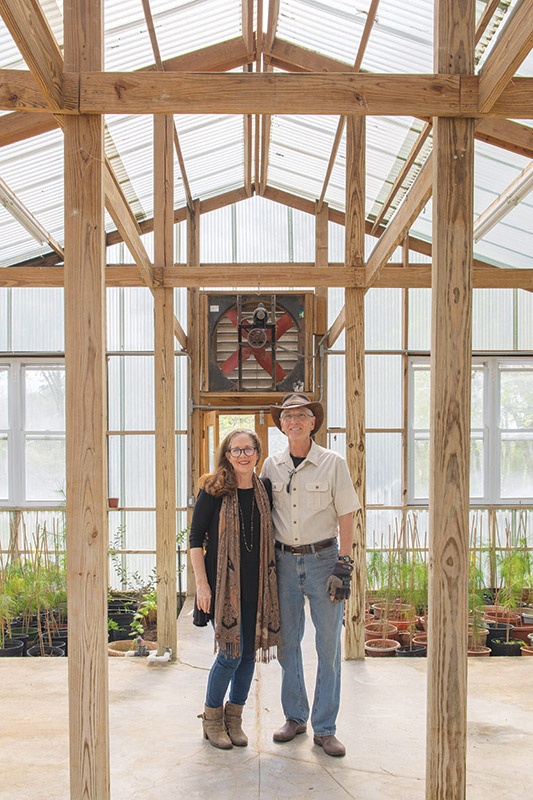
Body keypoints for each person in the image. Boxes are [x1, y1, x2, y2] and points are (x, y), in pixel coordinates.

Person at [261, 393, 361, 758]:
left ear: (312, 422)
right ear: (282, 425)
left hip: (323, 561)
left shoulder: (333, 463)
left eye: (302, 415)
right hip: (284, 562)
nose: (295, 422)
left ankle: (326, 727)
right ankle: (295, 716)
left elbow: (347, 513)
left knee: (328, 646)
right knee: (288, 645)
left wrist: (344, 563)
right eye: (288, 417)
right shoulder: (271, 466)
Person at [189, 428, 281, 750]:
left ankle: (234, 719)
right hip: (222, 588)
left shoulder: (264, 489)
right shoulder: (213, 490)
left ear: (257, 453)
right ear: (227, 455)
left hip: (257, 587)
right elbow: (194, 540)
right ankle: (212, 721)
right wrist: (202, 584)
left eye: (249, 449)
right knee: (230, 655)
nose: (243, 455)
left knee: (247, 658)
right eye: (236, 450)